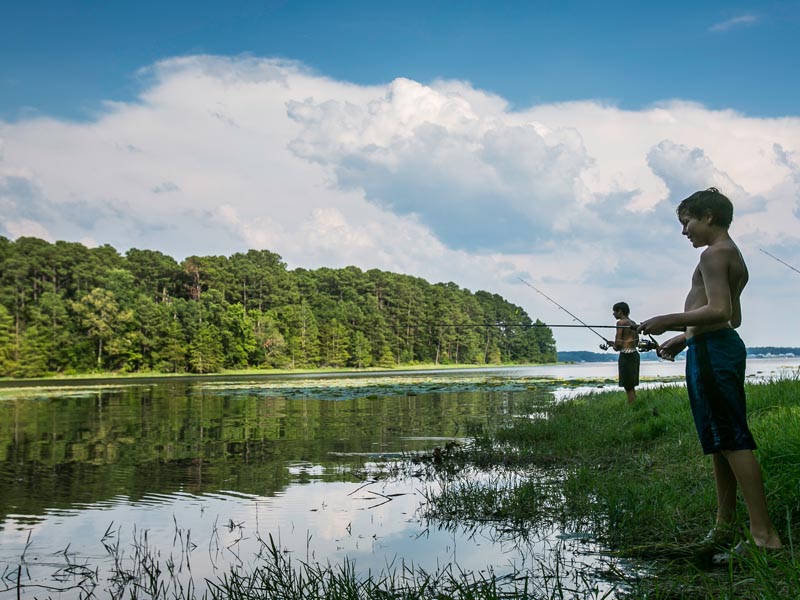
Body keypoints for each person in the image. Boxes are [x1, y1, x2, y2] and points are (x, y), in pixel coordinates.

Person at [637, 187, 782, 556]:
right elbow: (734, 316)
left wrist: (667, 321)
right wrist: (685, 339)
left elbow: (719, 311)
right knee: (719, 440)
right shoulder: (732, 255)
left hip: (715, 353)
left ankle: (764, 536)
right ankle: (725, 525)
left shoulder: (714, 255)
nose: (684, 231)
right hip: (709, 348)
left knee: (732, 438)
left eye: (686, 222)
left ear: (708, 217)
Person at [601, 302, 640, 404]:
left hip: (626, 357)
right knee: (631, 385)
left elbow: (618, 345)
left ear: (620, 311)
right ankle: (634, 404)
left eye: (614, 311)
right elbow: (635, 342)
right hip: (635, 355)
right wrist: (612, 344)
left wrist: (614, 346)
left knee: (628, 386)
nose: (613, 314)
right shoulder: (633, 323)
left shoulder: (620, 323)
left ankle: (632, 406)